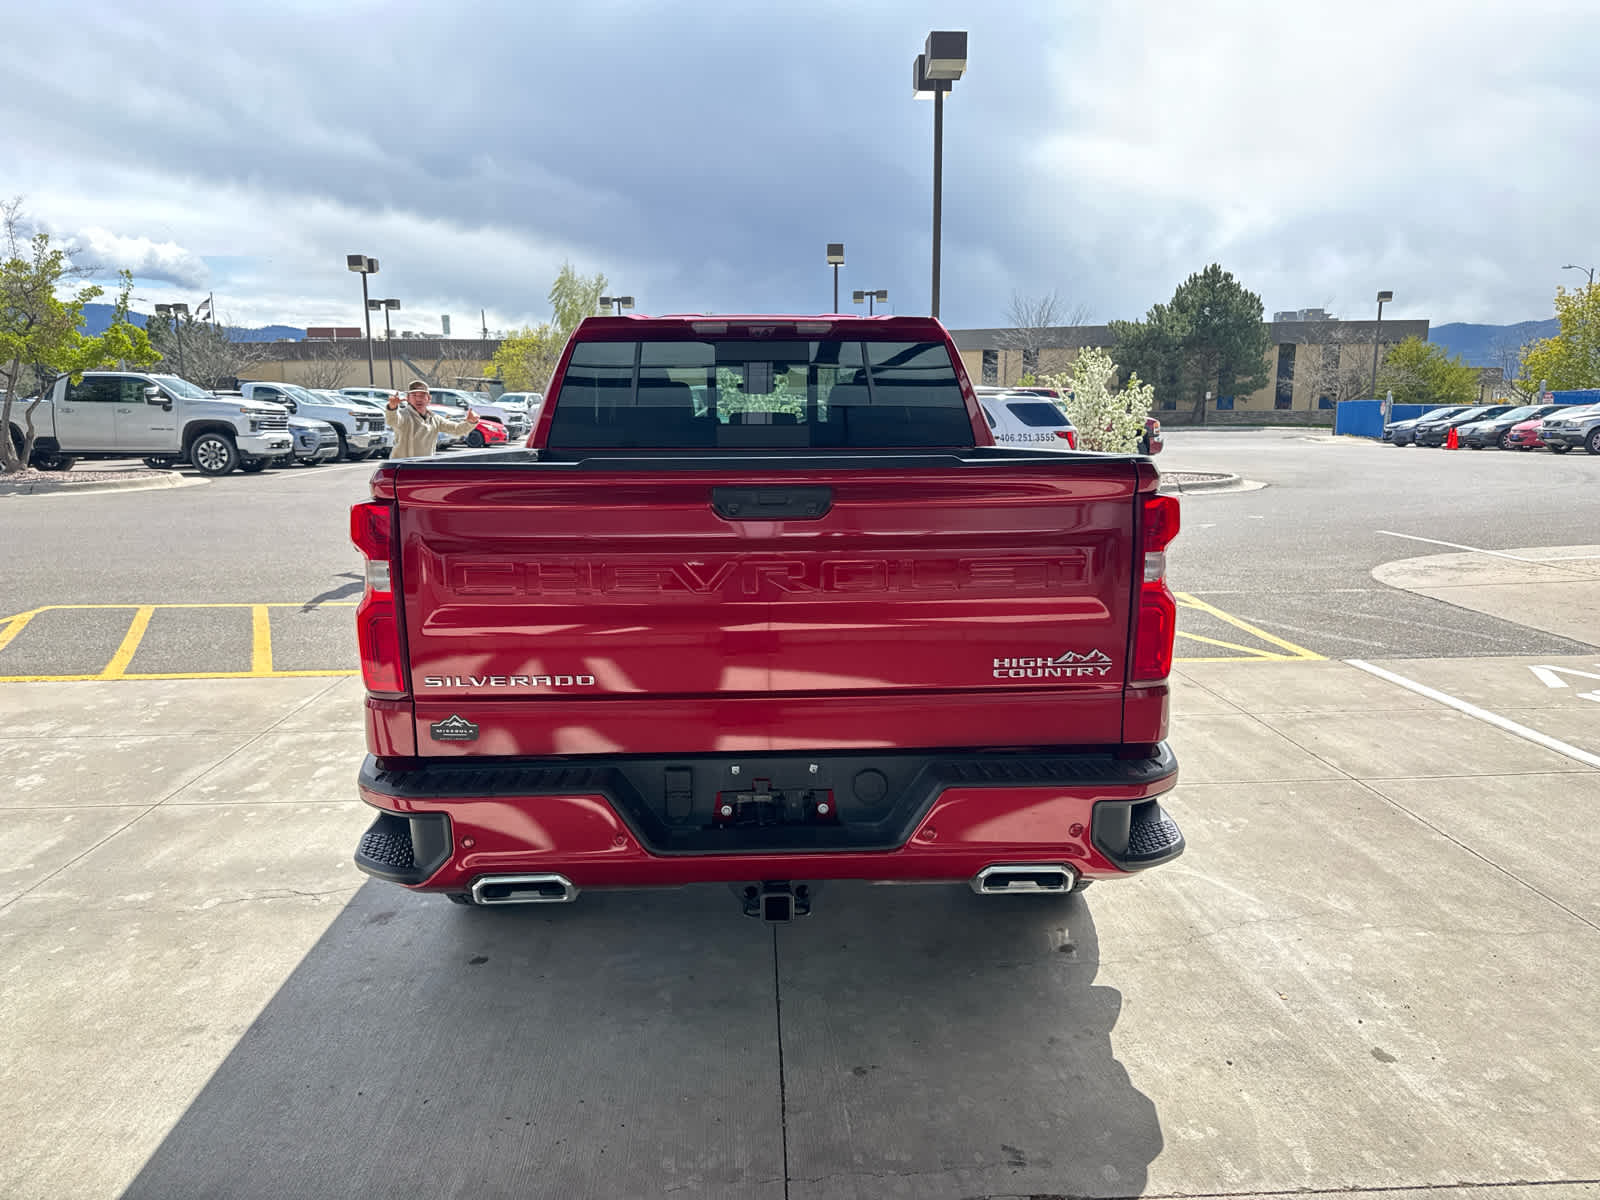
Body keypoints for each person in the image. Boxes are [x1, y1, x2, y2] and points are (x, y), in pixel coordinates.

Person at [384, 379, 479, 458]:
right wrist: (392, 407)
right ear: (408, 398)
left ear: (429, 398)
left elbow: (457, 430)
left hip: (424, 467)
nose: (418, 399)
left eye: (422, 395)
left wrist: (471, 422)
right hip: (402, 468)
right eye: (414, 395)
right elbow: (393, 420)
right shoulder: (403, 415)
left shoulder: (434, 419)